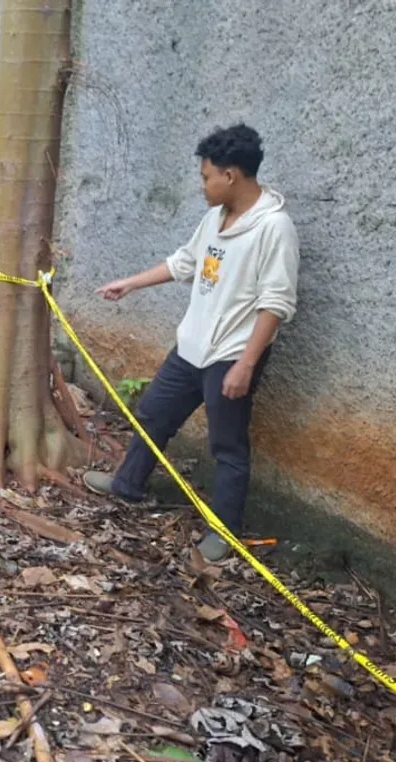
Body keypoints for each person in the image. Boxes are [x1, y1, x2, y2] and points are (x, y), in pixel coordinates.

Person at [83, 123, 299, 562]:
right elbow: (185, 262)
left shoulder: (273, 228)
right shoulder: (215, 218)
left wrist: (245, 364)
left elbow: (276, 303)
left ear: (231, 175)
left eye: (206, 177)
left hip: (232, 355)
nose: (202, 185)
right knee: (153, 415)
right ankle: (128, 484)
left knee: (227, 446)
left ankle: (224, 532)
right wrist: (131, 284)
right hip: (191, 347)